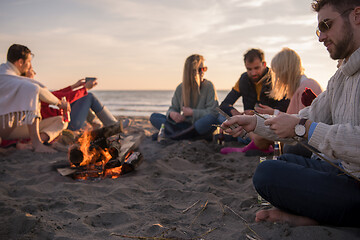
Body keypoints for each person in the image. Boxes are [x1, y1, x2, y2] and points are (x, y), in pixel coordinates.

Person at [221, 0, 360, 227]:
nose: (321, 37)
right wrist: (254, 123)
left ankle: (313, 217)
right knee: (280, 162)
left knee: (267, 174)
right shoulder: (340, 77)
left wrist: (303, 128)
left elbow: (303, 125)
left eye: (327, 25)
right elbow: (307, 116)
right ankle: (314, 215)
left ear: (356, 16)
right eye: (319, 29)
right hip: (343, 171)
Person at [223, 48, 323, 157]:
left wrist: (273, 113)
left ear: (285, 71)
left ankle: (255, 146)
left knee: (260, 137)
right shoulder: (297, 88)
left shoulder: (307, 87)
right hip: (297, 134)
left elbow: (302, 124)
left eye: (277, 72)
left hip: (308, 141)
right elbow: (295, 120)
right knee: (255, 132)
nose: (276, 77)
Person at [219, 48, 289, 155]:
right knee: (220, 116)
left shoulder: (276, 78)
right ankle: (244, 139)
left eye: (256, 68)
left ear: (264, 64)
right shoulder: (243, 79)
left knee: (240, 131)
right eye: (249, 69)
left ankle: (247, 140)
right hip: (248, 125)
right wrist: (235, 113)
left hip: (269, 123)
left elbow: (287, 109)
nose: (253, 73)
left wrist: (269, 111)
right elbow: (224, 104)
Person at [0, 44, 69, 153]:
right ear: (20, 62)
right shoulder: (13, 79)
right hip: (6, 129)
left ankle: (33, 143)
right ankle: (37, 144)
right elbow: (38, 89)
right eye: (29, 62)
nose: (29, 66)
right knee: (32, 90)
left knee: (61, 121)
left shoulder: (6, 75)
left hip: (7, 128)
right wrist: (60, 103)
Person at [150, 54, 219, 140]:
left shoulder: (209, 86)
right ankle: (185, 136)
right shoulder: (180, 88)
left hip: (199, 125)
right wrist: (172, 114)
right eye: (201, 69)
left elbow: (213, 112)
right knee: (154, 117)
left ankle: (173, 135)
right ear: (192, 71)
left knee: (213, 119)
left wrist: (193, 112)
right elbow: (173, 108)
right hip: (183, 125)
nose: (203, 72)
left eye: (205, 69)